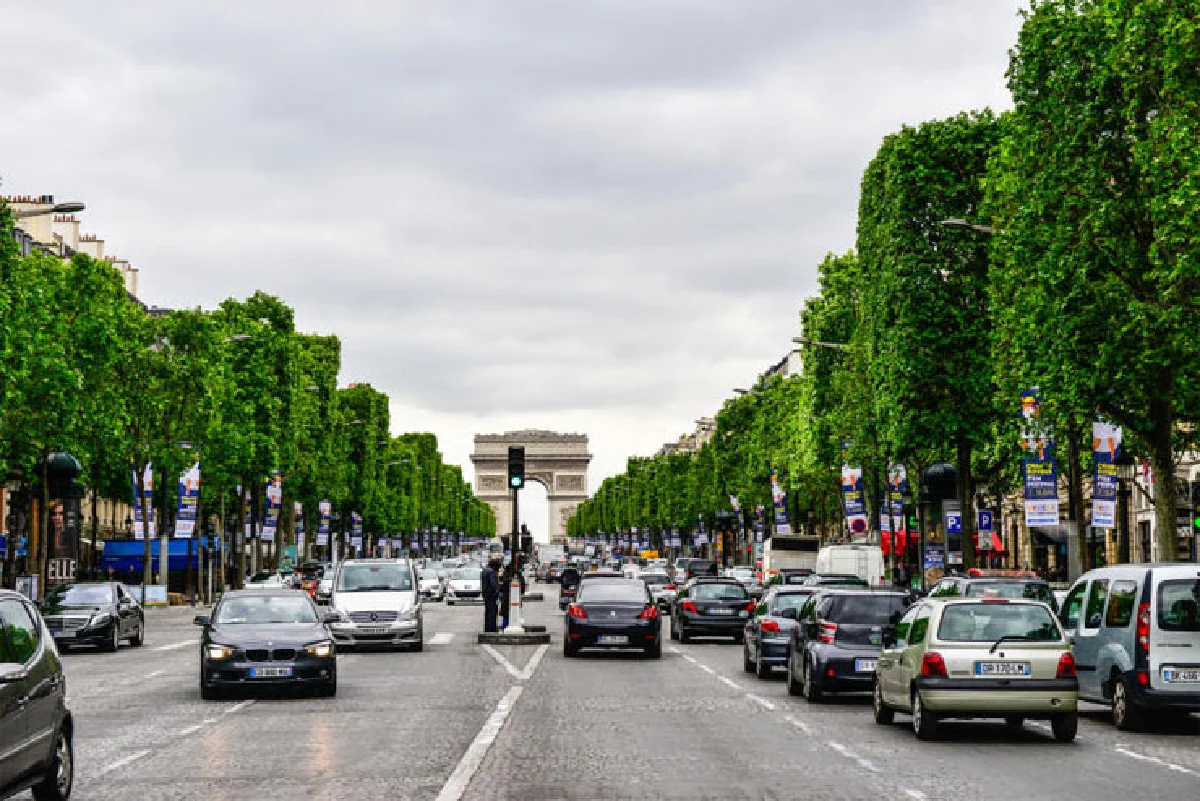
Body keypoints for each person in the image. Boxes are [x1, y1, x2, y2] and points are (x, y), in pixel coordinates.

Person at [482, 558, 501, 633]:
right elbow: (493, 583)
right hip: (492, 595)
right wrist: (498, 590)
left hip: (486, 594)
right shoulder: (492, 572)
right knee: (492, 612)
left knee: (488, 611)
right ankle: (492, 628)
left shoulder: (484, 571)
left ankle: (487, 628)